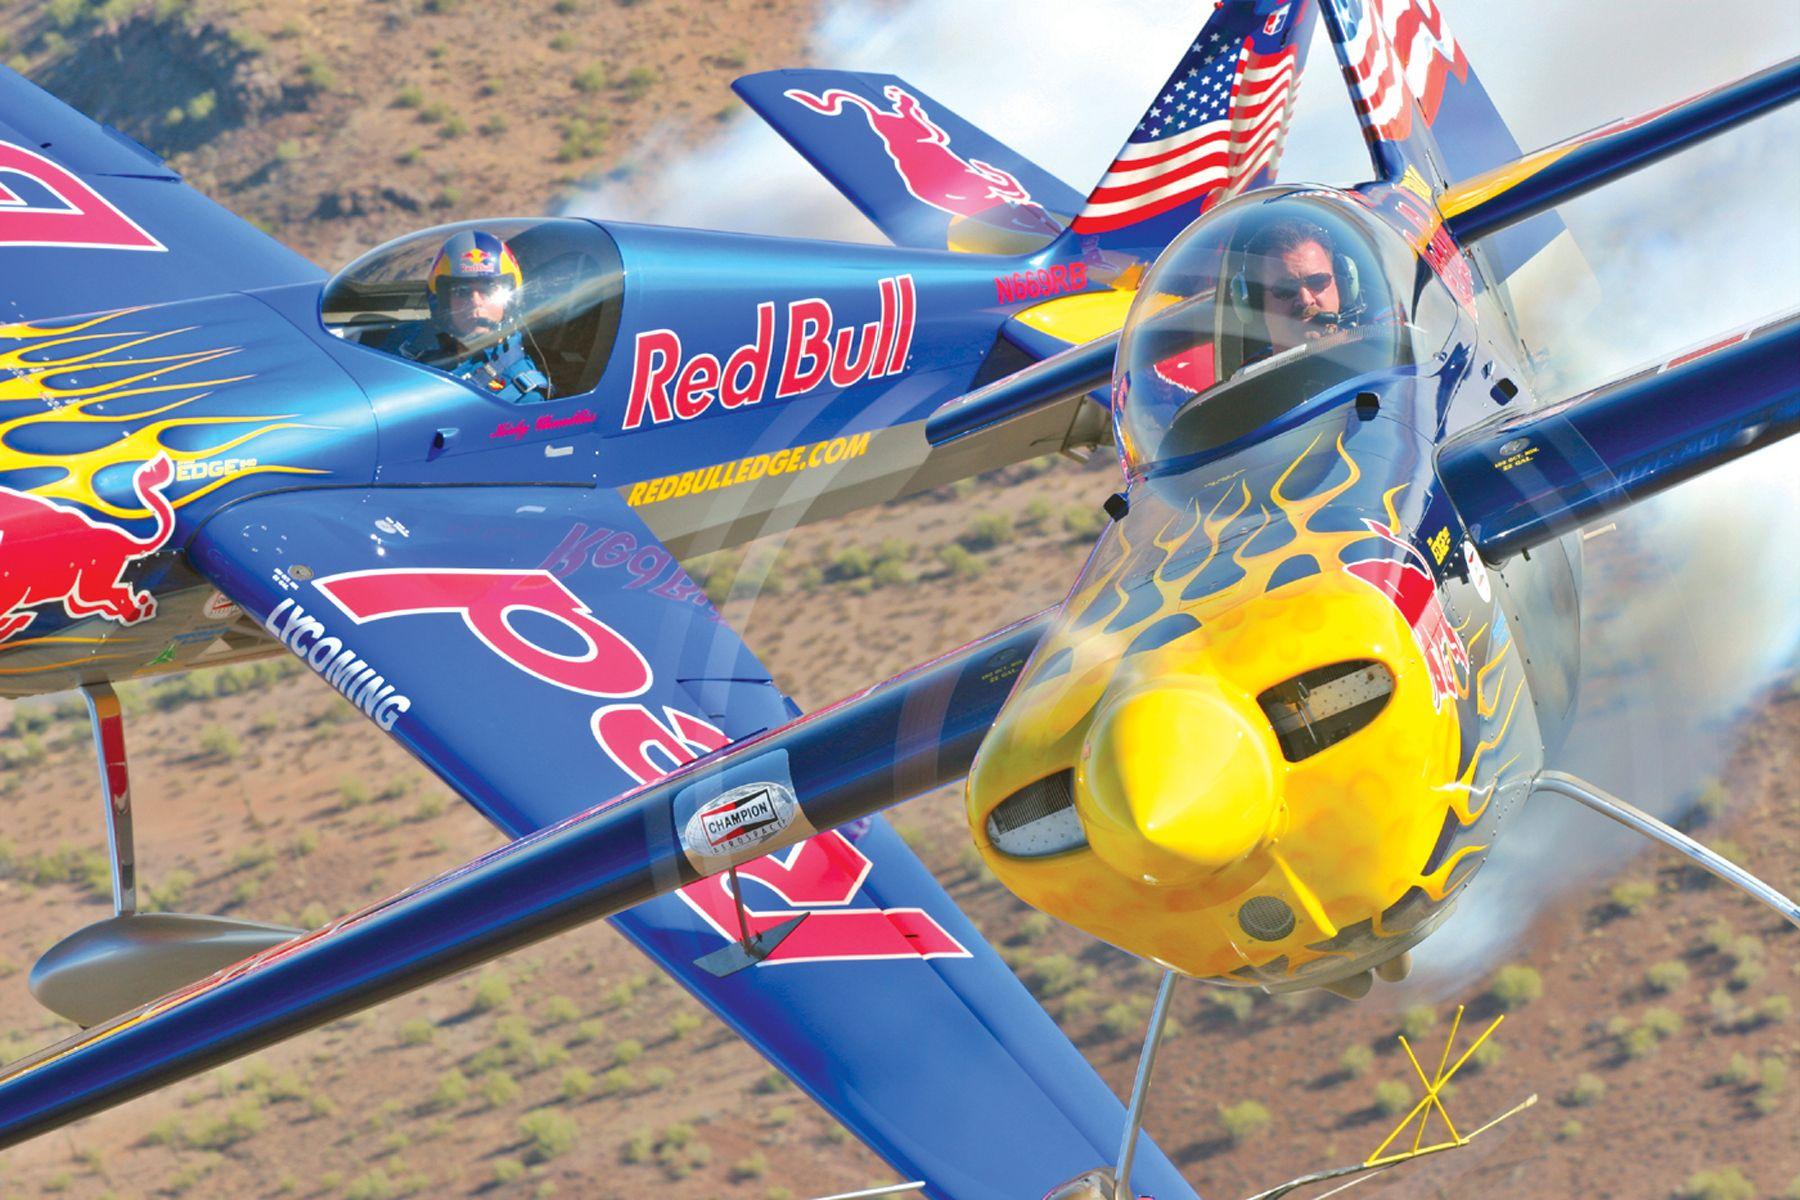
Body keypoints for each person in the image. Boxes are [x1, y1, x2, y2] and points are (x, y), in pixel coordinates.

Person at [414, 229, 552, 403]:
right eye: (462, 291)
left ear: (510, 302)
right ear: (442, 301)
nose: (475, 302)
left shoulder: (522, 396)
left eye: (488, 290)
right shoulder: (409, 339)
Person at [1241, 218, 1365, 355]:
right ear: (1256, 302)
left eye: (1318, 281)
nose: (1305, 300)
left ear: (1341, 286)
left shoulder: (1375, 357)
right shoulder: (1253, 370)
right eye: (1286, 289)